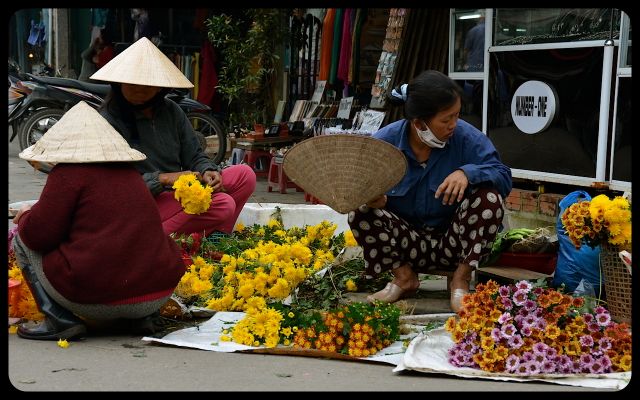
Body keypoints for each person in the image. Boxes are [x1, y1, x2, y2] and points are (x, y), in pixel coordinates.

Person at [12, 101, 187, 341]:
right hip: (156, 294)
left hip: (98, 298)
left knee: (22, 238)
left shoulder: (67, 173)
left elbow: (39, 235)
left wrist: (26, 216)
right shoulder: (130, 172)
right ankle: (141, 318)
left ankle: (58, 319)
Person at [347, 70, 512, 312]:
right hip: (407, 244)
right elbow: (357, 186)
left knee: (490, 199)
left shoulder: (466, 137)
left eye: (456, 116)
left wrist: (468, 173)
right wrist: (373, 199)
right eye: (446, 120)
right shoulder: (384, 143)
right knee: (359, 212)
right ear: (419, 123)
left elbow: (503, 176)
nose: (453, 125)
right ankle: (404, 278)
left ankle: (461, 279)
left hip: (453, 244)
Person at [91, 37, 257, 237]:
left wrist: (207, 171)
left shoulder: (172, 111)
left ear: (160, 87)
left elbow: (194, 155)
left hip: (176, 195)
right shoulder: (108, 120)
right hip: (140, 203)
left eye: (146, 84)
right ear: (118, 84)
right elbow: (114, 188)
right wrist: (163, 179)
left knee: (244, 175)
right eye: (131, 84)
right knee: (223, 205)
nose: (139, 90)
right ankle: (150, 242)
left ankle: (214, 239)